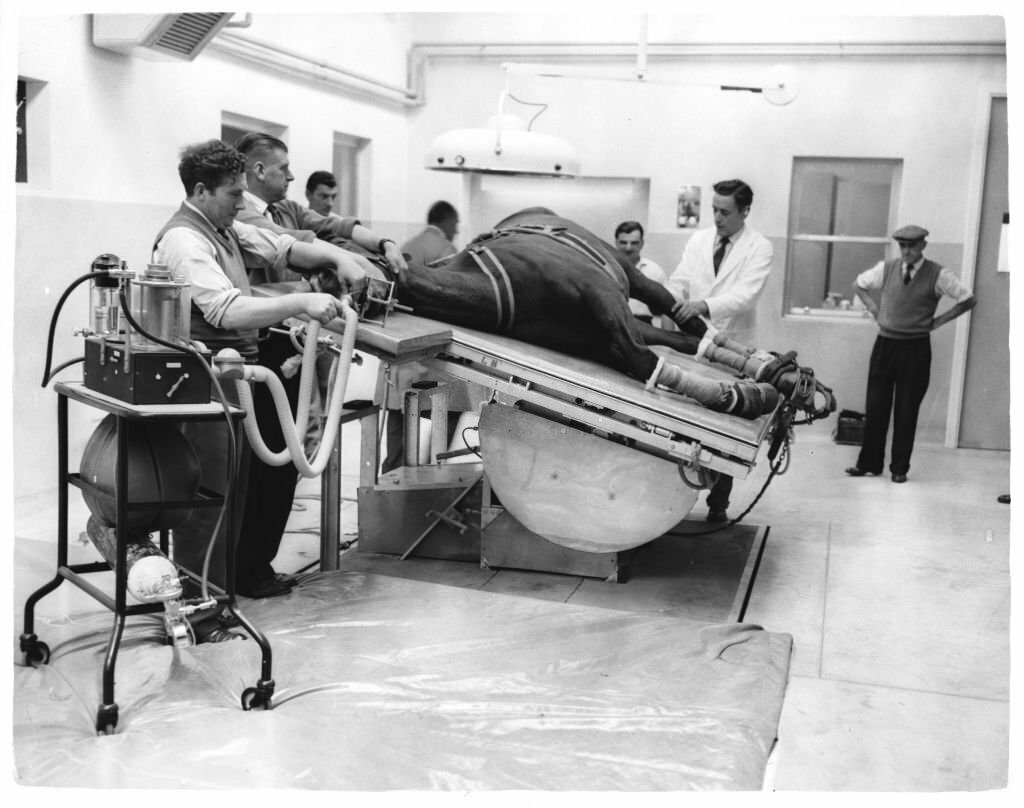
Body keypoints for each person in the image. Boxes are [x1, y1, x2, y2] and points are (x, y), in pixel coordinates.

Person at [153, 139, 368, 607]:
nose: (240, 203)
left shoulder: (224, 226)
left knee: (235, 495)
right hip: (204, 384)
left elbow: (280, 245)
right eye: (233, 194)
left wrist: (339, 258)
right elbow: (223, 310)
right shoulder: (185, 240)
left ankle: (218, 591)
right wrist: (301, 303)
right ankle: (196, 606)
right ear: (201, 189)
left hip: (235, 381)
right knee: (209, 502)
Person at [234, 133, 407, 455]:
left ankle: (299, 463)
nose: (291, 176)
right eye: (283, 168)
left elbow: (335, 226)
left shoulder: (285, 208)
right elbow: (291, 244)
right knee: (271, 435)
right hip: (260, 341)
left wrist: (384, 244)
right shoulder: (241, 214)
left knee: (293, 425)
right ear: (258, 170)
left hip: (295, 333)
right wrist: (347, 260)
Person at [664, 179, 773, 523]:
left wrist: (703, 305)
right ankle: (673, 497)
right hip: (694, 343)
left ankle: (718, 504)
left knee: (723, 422)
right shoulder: (699, 240)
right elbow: (680, 279)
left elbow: (746, 296)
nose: (717, 217)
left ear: (745, 211)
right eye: (714, 209)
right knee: (685, 414)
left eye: (725, 211)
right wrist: (666, 302)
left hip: (732, 346)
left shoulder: (760, 247)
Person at [845, 225, 976, 483]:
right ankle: (869, 463)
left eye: (912, 246)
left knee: (906, 409)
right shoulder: (887, 268)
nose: (906, 251)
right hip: (885, 346)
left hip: (915, 350)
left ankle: (899, 468)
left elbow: (968, 299)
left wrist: (939, 321)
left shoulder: (938, 274)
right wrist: (874, 308)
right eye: (902, 246)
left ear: (923, 246)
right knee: (876, 406)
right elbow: (859, 285)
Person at [614, 220, 669, 327]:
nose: (628, 248)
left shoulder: (655, 271)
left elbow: (667, 311)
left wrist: (669, 342)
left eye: (634, 243)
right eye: (623, 242)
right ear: (616, 243)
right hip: (614, 326)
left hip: (645, 327)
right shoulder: (605, 269)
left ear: (641, 244)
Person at [402, 200, 459, 268]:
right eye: (455, 224)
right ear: (447, 222)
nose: (456, 231)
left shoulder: (407, 246)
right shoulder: (447, 248)